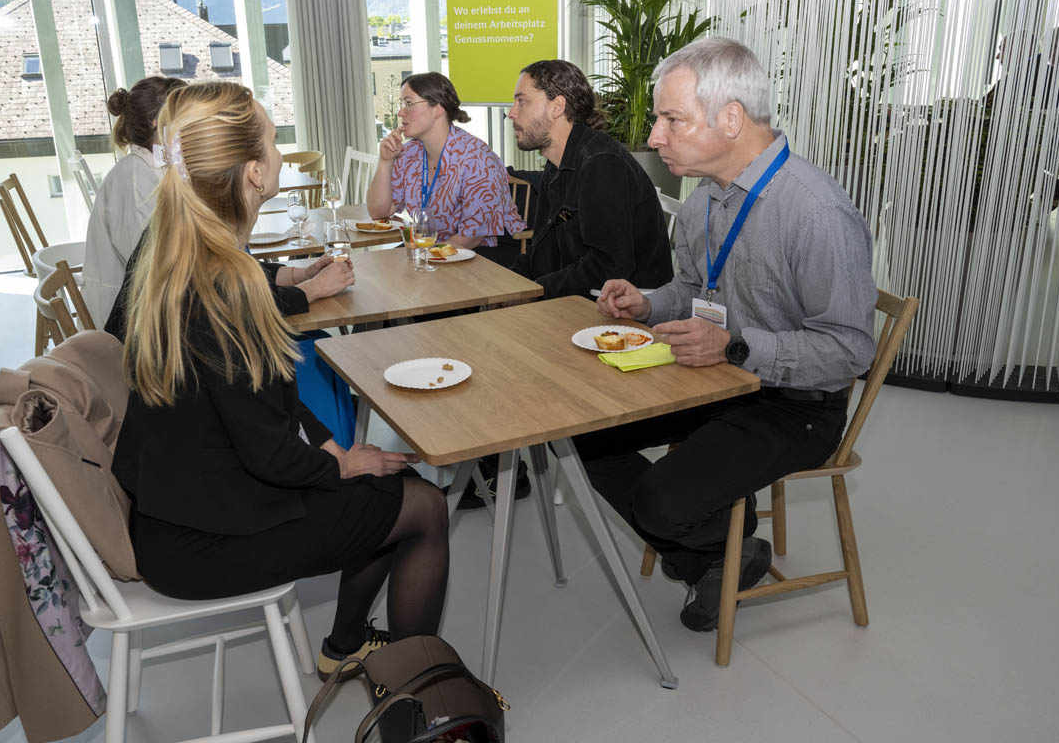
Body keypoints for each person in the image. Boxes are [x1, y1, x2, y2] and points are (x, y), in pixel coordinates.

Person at [110, 81, 449, 680]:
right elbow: (269, 453)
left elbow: (272, 402)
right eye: (272, 141)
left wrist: (334, 449)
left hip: (171, 509)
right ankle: (413, 688)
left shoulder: (166, 248)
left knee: (383, 484)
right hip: (204, 539)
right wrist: (343, 465)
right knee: (423, 505)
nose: (280, 154)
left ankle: (346, 648)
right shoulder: (227, 286)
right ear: (253, 173)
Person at [585, 37, 877, 632]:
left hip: (796, 404)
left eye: (672, 120)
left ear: (732, 118)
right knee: (586, 441)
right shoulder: (703, 202)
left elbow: (850, 350)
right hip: (716, 380)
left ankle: (712, 541)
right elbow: (692, 291)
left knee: (658, 501)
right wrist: (646, 303)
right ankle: (720, 553)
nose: (655, 137)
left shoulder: (816, 213)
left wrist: (736, 346)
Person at [507, 59, 673, 298]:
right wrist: (510, 286)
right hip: (576, 300)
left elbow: (609, 266)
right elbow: (541, 251)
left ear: (557, 107)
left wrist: (535, 291)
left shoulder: (602, 163)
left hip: (619, 310)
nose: (512, 113)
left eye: (522, 102)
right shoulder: (556, 165)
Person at [367, 72, 525, 265]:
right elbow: (379, 213)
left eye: (408, 103)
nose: (400, 112)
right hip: (434, 246)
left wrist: (424, 258)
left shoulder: (477, 157)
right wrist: (385, 162)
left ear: (437, 109)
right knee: (382, 268)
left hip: (485, 251)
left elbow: (472, 236)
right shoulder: (409, 153)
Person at [84, 76, 185, 327]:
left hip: (149, 304)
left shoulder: (154, 167)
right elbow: (150, 266)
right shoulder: (133, 181)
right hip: (125, 323)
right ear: (158, 122)